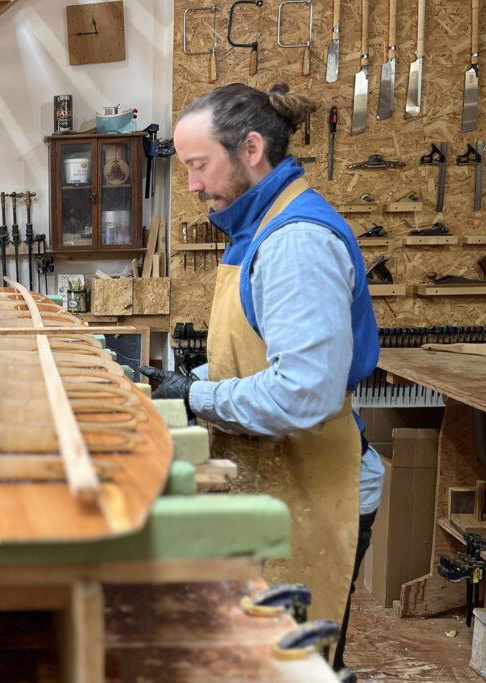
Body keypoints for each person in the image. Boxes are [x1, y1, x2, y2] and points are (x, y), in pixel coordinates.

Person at [141, 82, 382, 669]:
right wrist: (182, 379)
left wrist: (196, 396)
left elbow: (304, 391)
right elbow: (255, 353)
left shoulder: (295, 241)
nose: (192, 185)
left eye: (199, 166)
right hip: (278, 474)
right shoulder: (258, 228)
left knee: (292, 663)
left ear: (251, 149)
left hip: (311, 482)